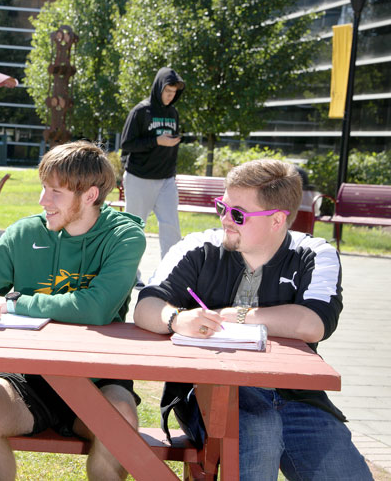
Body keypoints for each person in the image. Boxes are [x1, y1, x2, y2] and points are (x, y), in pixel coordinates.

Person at [132, 158, 372, 480]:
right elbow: (146, 306)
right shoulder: (196, 248)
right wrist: (176, 318)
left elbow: (313, 322)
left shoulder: (314, 253)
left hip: (296, 395)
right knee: (259, 428)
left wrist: (236, 315)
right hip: (211, 393)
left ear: (276, 220)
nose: (226, 220)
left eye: (239, 214)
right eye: (222, 207)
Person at [0, 141, 146, 480]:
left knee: (119, 423)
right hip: (30, 374)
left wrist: (14, 303)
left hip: (99, 374)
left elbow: (95, 308)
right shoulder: (25, 233)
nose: (42, 200)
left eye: (55, 192)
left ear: (90, 195)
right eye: (43, 188)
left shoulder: (125, 236)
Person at [120, 67, 185, 285]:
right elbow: (127, 144)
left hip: (166, 180)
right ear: (158, 88)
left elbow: (171, 148)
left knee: (171, 228)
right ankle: (130, 275)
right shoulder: (141, 111)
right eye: (167, 90)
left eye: (174, 92)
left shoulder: (173, 113)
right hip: (139, 179)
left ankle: (169, 276)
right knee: (134, 227)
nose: (170, 96)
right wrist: (156, 141)